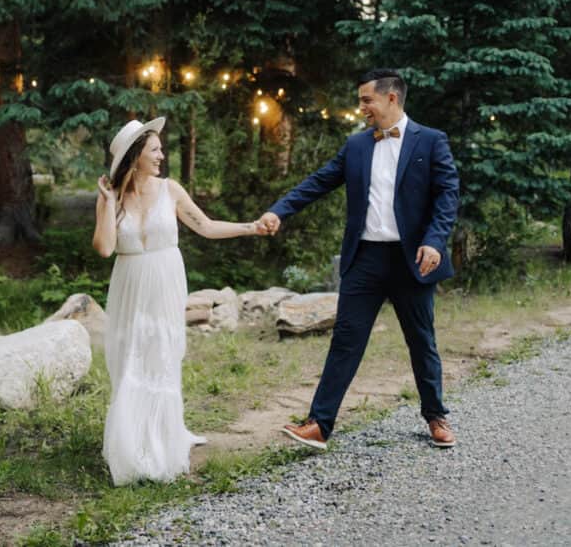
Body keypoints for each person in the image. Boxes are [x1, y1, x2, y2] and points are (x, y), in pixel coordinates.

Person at [258, 69, 461, 450]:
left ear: (391, 98)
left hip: (412, 259)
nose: (361, 107)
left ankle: (436, 416)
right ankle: (319, 424)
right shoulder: (355, 146)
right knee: (346, 341)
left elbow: (447, 195)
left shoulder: (431, 141)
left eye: (367, 99)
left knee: (421, 340)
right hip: (364, 258)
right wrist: (279, 211)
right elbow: (318, 182)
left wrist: (434, 241)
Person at [92, 117, 265, 485]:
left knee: (161, 357)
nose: (162, 155)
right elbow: (105, 248)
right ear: (135, 155)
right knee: (129, 361)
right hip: (129, 285)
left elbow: (205, 226)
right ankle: (130, 447)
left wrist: (250, 227)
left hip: (164, 281)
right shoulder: (111, 196)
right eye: (155, 149)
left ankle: (160, 444)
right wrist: (107, 204)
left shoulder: (170, 190)